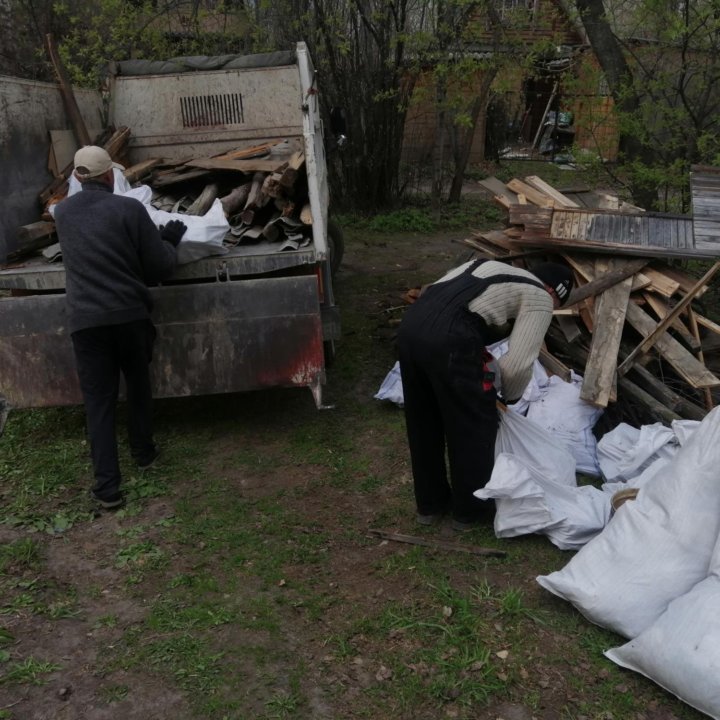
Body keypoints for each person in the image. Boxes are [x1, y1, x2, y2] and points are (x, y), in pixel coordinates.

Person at [397, 257, 574, 530]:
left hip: (411, 327)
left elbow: (434, 292)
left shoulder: (486, 266)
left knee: (424, 421)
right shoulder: (540, 297)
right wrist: (506, 398)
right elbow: (516, 366)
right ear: (554, 293)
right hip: (452, 335)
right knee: (473, 424)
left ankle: (430, 506)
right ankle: (469, 512)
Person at [54, 145, 187, 509]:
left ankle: (108, 490)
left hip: (86, 321)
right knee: (138, 383)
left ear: (79, 178)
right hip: (129, 316)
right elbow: (159, 267)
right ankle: (143, 452)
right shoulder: (129, 208)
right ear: (110, 176)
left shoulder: (62, 214)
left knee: (99, 402)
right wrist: (169, 241)